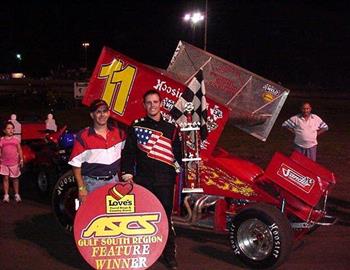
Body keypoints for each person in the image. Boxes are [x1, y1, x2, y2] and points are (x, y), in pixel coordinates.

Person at [121, 89, 182, 270]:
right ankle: (145, 252)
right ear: (144, 105)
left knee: (165, 217)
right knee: (142, 217)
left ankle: (169, 254)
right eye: (149, 102)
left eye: (155, 102)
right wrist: (127, 173)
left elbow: (178, 153)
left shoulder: (172, 128)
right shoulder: (136, 126)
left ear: (161, 104)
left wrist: (181, 169)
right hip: (144, 181)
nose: (152, 105)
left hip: (165, 181)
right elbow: (129, 152)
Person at [68, 99, 125, 204]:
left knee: (113, 217)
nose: (102, 115)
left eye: (104, 111)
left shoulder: (119, 133)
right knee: (91, 217)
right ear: (92, 115)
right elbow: (76, 164)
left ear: (108, 113)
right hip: (92, 184)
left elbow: (129, 152)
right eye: (98, 112)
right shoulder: (83, 136)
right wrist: (81, 188)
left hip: (114, 182)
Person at [1, 121, 24, 203]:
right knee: (5, 178)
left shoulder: (16, 140)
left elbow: (19, 150)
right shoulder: (2, 140)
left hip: (14, 163)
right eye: (8, 128)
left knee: (15, 179)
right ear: (4, 130)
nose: (11, 130)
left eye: (12, 129)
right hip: (4, 163)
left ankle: (17, 194)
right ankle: (6, 195)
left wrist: (21, 159)